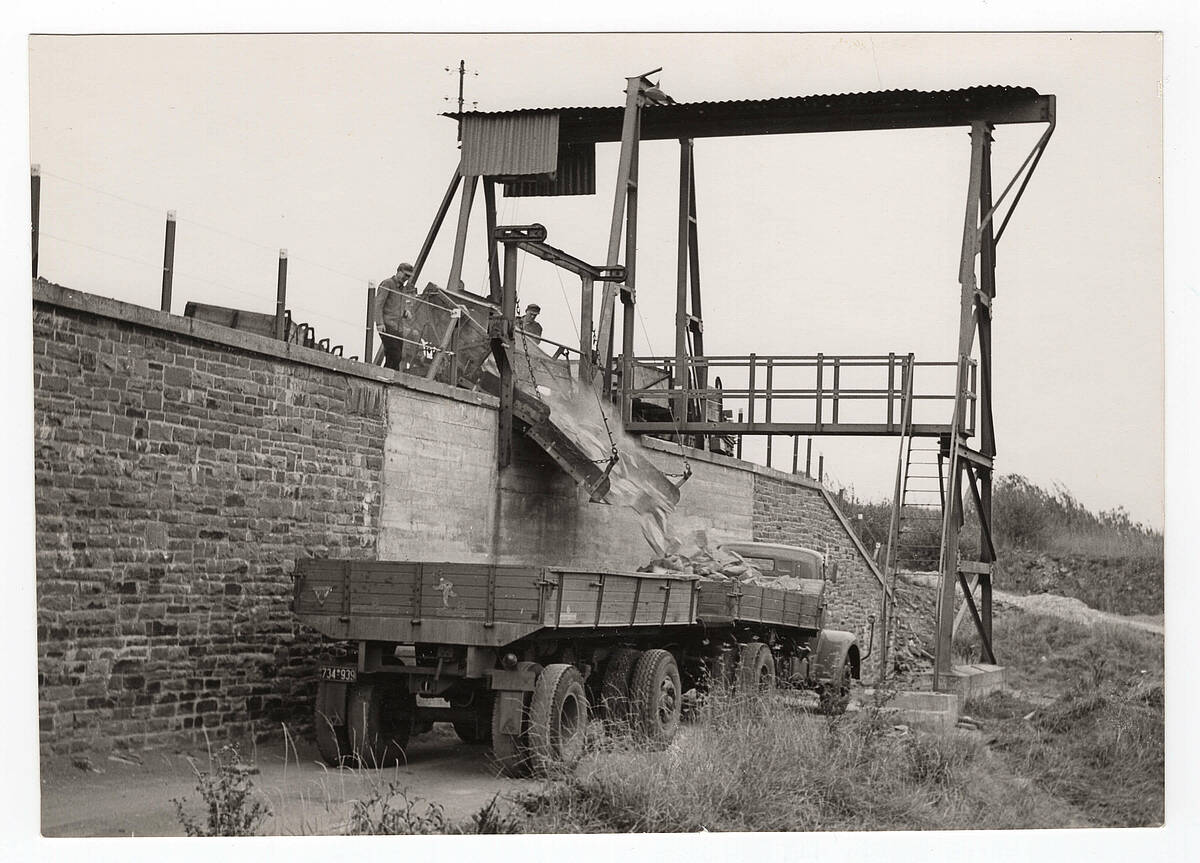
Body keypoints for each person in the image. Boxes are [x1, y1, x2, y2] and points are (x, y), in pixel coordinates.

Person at [378, 263, 415, 370]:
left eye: (408, 277)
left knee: (395, 357)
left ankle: (387, 377)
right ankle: (387, 377)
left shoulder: (402, 289)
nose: (406, 278)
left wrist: (405, 313)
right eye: (405, 275)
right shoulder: (387, 284)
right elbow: (378, 304)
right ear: (399, 271)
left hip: (398, 328)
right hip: (387, 325)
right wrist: (380, 323)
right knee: (395, 355)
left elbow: (396, 307)